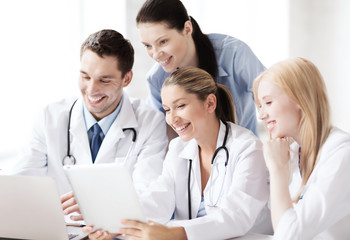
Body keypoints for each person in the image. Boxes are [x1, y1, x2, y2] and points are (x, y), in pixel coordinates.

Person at [84, 67, 272, 240]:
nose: (172, 118)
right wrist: (117, 222)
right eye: (167, 110)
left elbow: (236, 217)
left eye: (180, 106)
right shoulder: (179, 148)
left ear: (210, 103)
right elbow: (159, 197)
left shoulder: (247, 148)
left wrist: (175, 233)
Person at [13, 29, 168, 197]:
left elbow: (146, 194)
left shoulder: (150, 122)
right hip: (58, 223)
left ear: (126, 79)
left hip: (117, 223)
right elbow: (21, 187)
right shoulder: (49, 117)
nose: (92, 90)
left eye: (104, 80)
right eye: (85, 77)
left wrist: (100, 206)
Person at [136, 0, 265, 136]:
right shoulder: (156, 79)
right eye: (148, 46)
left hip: (245, 150)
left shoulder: (234, 54)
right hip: (193, 155)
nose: (155, 54)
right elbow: (160, 134)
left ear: (187, 29)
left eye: (163, 41)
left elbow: (273, 97)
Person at [253, 57, 350, 239]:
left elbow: (289, 235)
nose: (261, 115)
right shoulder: (292, 153)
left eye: (268, 102)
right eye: (259, 106)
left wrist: (277, 171)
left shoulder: (341, 155)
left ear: (299, 98)